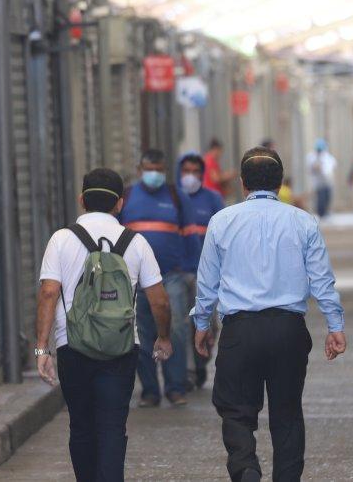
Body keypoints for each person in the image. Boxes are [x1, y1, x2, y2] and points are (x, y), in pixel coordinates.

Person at [191, 147, 346, 482]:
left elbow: (207, 281)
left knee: (235, 408)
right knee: (287, 412)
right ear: (280, 184)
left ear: (243, 183)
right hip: (288, 330)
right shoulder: (303, 222)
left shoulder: (222, 221)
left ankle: (246, 466)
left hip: (240, 331)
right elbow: (322, 280)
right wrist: (335, 326)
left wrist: (202, 324)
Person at [35, 167, 173, 482]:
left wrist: (42, 348)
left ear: (82, 199)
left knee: (81, 425)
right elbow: (159, 301)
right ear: (120, 204)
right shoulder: (136, 242)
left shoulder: (61, 239)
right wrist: (163, 337)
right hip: (122, 347)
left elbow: (48, 293)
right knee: (112, 426)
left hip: (72, 345)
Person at [120, 149, 189, 406]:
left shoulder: (175, 196)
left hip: (170, 275)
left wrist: (189, 269)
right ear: (140, 169)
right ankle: (150, 391)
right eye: (150, 168)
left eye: (159, 169)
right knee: (141, 333)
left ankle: (176, 387)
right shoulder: (127, 197)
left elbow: (189, 233)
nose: (154, 174)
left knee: (176, 330)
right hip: (134, 279)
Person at [178, 152, 224, 388]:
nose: (190, 176)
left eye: (195, 172)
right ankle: (189, 372)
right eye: (186, 171)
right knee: (182, 324)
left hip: (208, 274)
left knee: (208, 323)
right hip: (178, 272)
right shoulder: (173, 199)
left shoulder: (213, 200)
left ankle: (202, 361)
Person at [305, 139, 336, 219]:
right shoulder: (311, 156)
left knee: (327, 197)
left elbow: (331, 166)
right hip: (318, 182)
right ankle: (321, 214)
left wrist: (321, 168)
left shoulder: (327, 156)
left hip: (327, 181)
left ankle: (326, 213)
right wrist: (316, 166)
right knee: (320, 198)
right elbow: (311, 167)